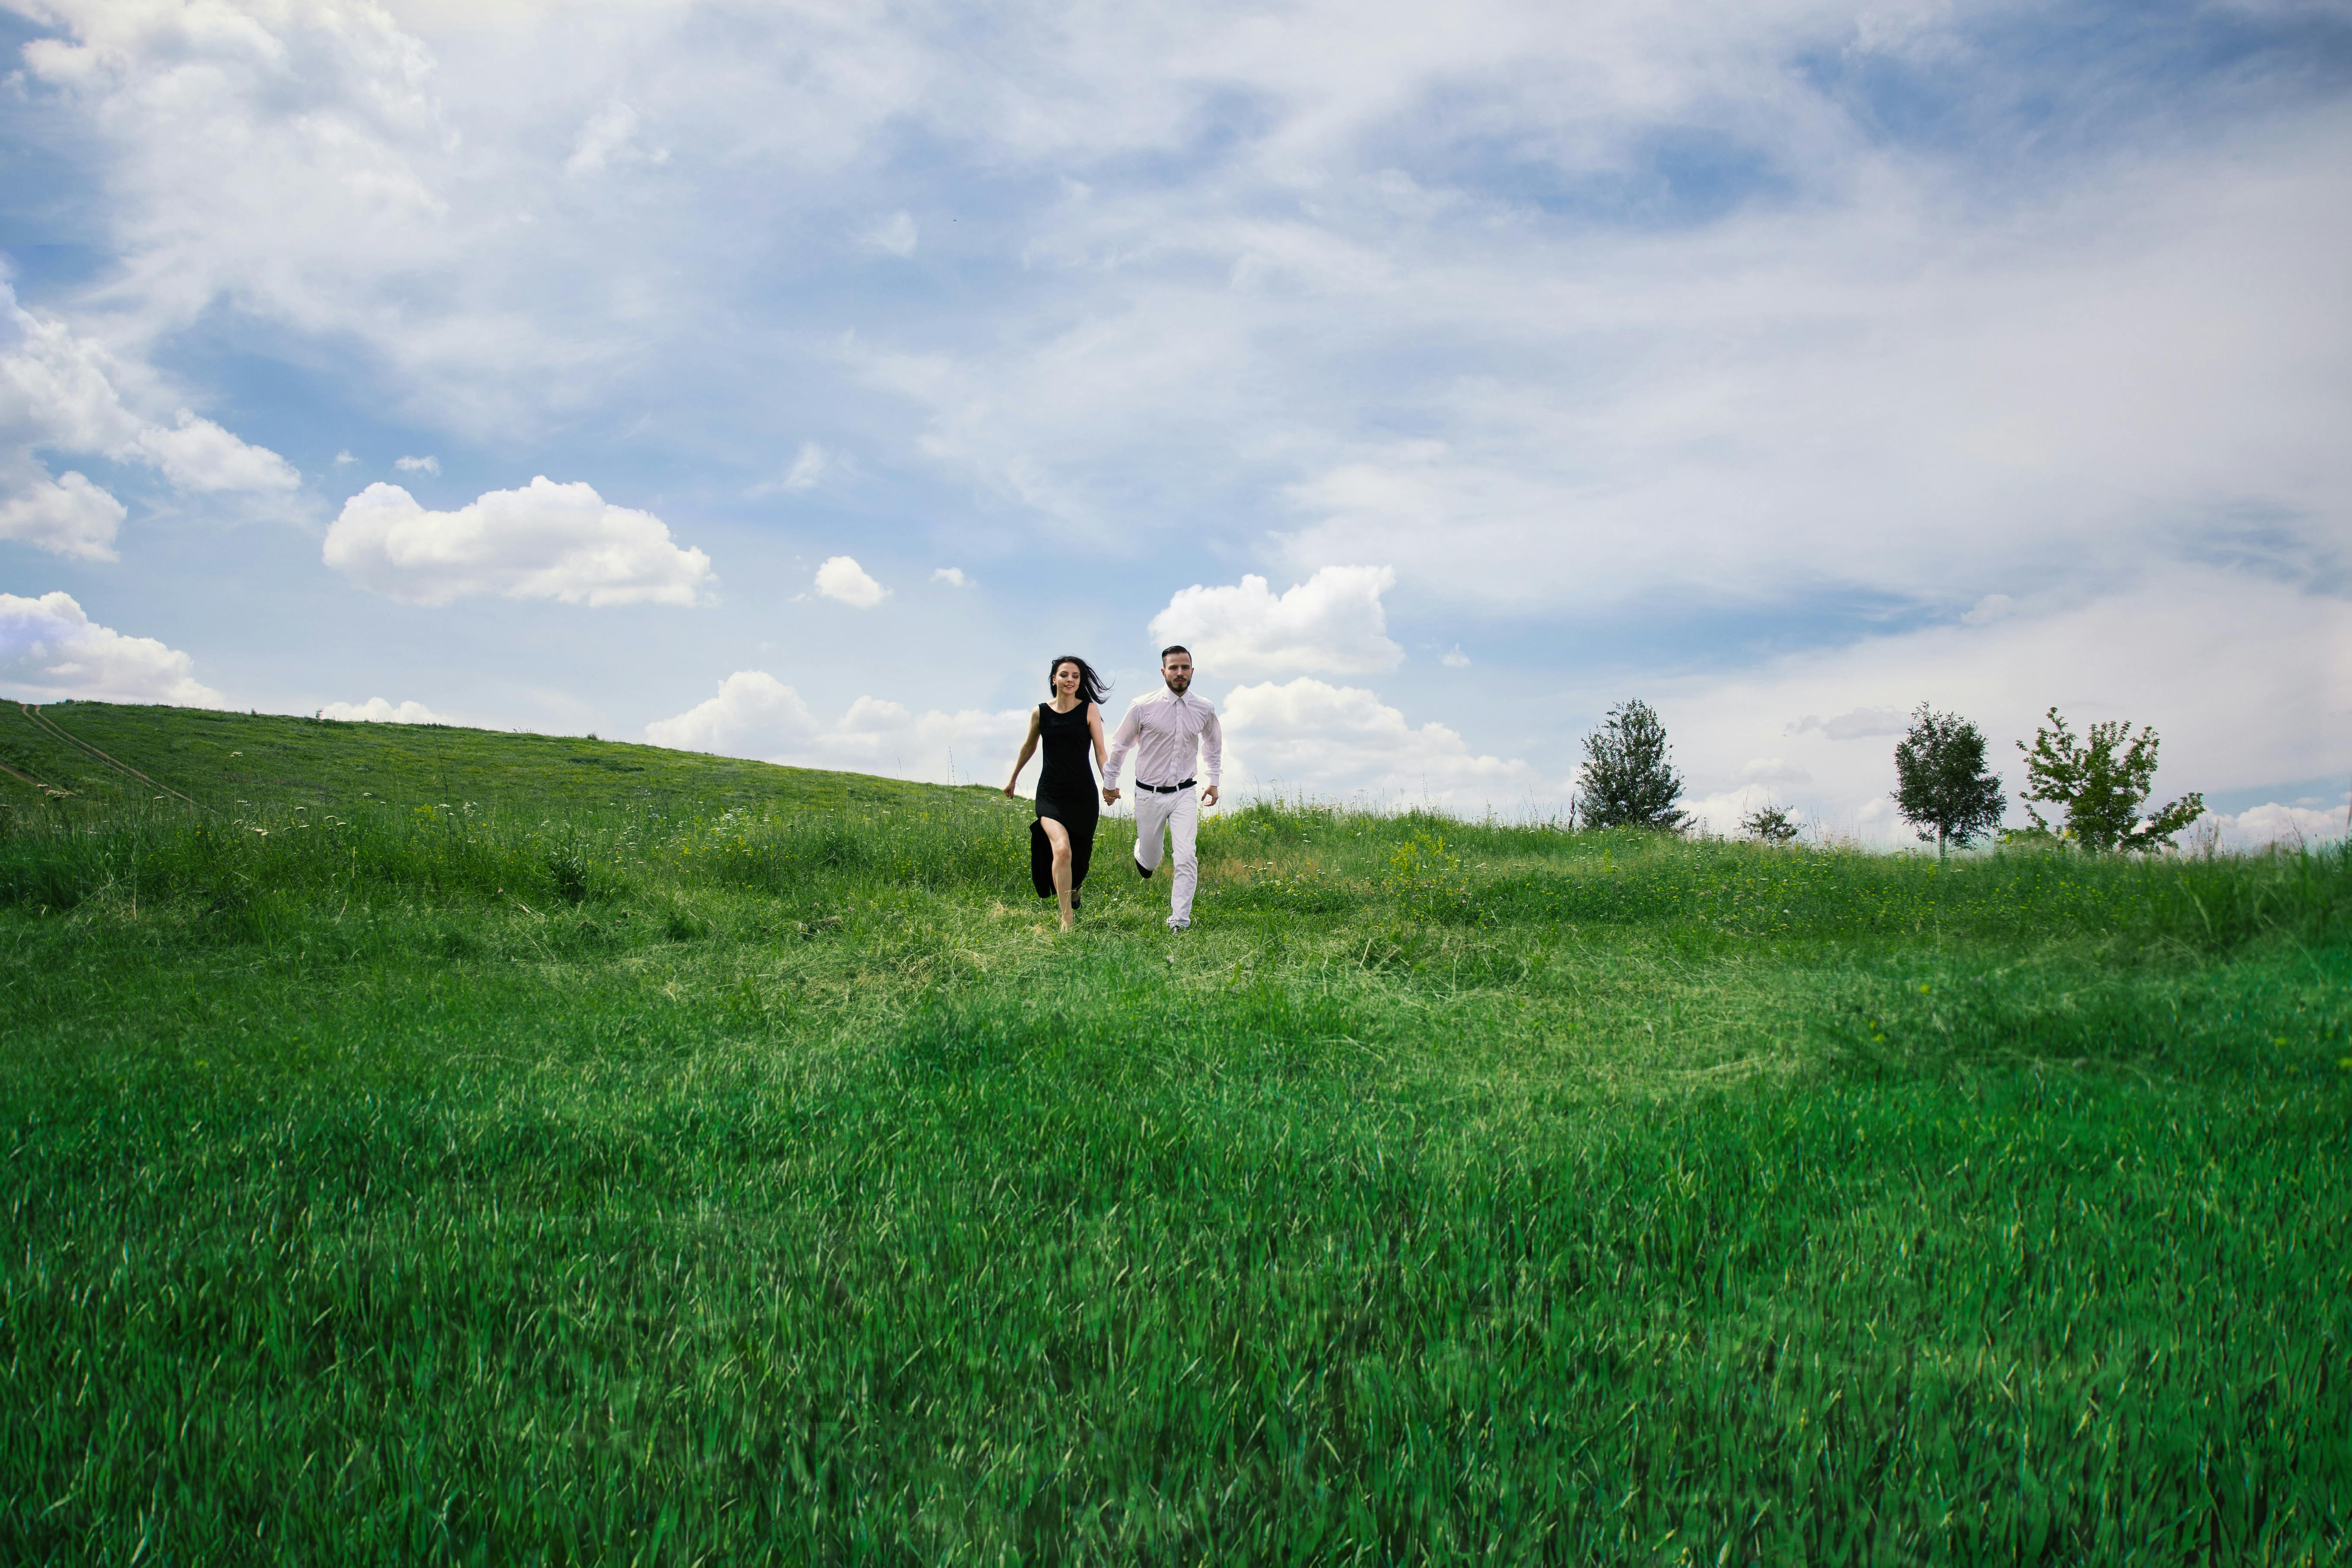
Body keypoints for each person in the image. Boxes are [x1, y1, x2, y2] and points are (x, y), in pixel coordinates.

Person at [1101, 645, 1222, 932]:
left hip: (1184, 792)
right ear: (1163, 671)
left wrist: (1214, 781)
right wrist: (1109, 785)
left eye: (1185, 667)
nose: (1180, 673)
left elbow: (1213, 745)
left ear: (1192, 670)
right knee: (1152, 860)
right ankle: (1143, 853)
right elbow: (1120, 747)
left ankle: (1179, 921)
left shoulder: (1204, 707)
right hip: (1148, 794)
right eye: (1174, 668)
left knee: (1186, 855)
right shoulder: (1143, 706)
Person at [1004, 655, 1111, 932]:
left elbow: (1101, 752)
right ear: (1054, 679)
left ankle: (1074, 889)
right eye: (1065, 675)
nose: (1070, 680)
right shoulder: (1041, 713)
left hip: (1083, 796)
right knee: (1061, 849)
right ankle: (1067, 918)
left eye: (1075, 676)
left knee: (1080, 859)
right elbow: (1029, 746)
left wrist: (1109, 782)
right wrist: (1013, 778)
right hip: (1050, 795)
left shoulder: (1089, 711)